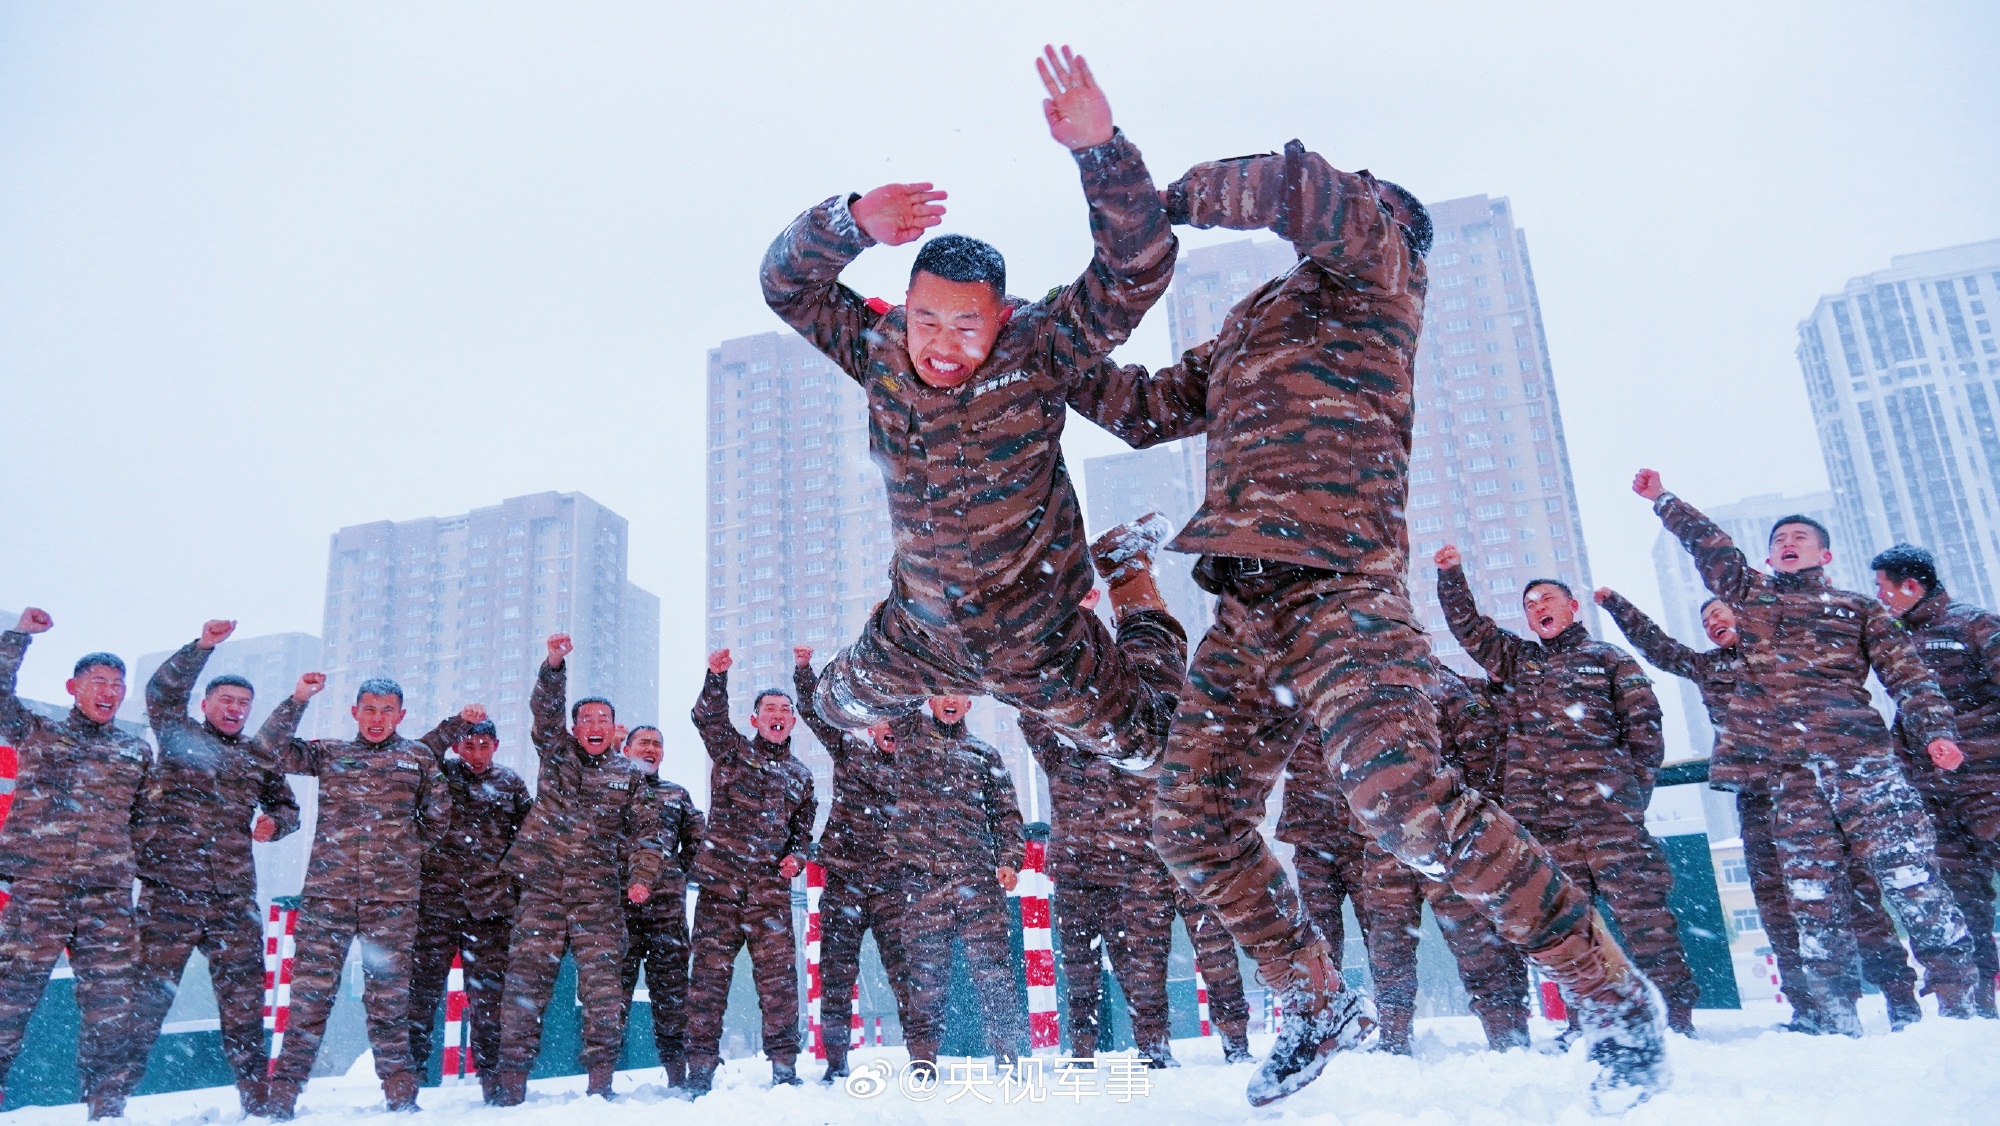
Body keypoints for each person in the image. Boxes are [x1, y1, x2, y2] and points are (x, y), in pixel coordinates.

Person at [1112, 141, 1668, 1108]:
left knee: (1403, 802)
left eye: (1365, 200)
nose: (1348, 205)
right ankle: (1313, 998)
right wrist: (1034, 352)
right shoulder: (1260, 321)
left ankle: (1609, 995)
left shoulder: (1381, 276)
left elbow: (1303, 188)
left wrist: (1156, 207)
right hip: (1247, 611)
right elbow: (1149, 406)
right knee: (1191, 821)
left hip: (1341, 593)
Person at [759, 45, 1184, 769]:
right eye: (928, 320)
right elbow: (786, 286)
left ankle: (1131, 578)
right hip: (918, 634)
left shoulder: (1039, 348)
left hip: (1041, 639)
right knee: (828, 704)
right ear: (908, 309)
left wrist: (1100, 152)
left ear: (1001, 318)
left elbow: (1134, 273)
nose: (943, 346)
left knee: (1151, 748)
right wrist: (852, 220)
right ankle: (887, 615)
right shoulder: (881, 351)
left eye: (967, 326)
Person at [1637, 469, 1979, 1032]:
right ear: (1768, 560)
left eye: (1799, 538)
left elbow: (1909, 676)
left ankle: (1961, 1010)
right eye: (1778, 541)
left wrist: (1937, 730)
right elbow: (1710, 545)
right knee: (1811, 898)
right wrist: (1663, 500)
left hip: (1863, 766)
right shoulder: (1750, 598)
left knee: (1912, 880)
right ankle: (1833, 1017)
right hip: (1789, 778)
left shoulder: (1858, 609)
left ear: (1825, 553)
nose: (1787, 544)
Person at [1596, 589, 1921, 1031]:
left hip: (1814, 792)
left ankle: (1901, 998)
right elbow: (1659, 647)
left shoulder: (1781, 654)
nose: (1713, 622)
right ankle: (1809, 1009)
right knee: (1777, 905)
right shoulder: (1708, 667)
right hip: (1758, 800)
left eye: (1720, 612)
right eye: (1706, 618)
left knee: (1854, 896)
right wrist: (1618, 603)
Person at [1435, 549, 1700, 1035]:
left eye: (1549, 598)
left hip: (1610, 820)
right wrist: (1450, 575)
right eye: (1531, 603)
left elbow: (1645, 730)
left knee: (1646, 922)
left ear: (1573, 607)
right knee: (1568, 929)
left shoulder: (1608, 659)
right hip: (1547, 827)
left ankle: (1675, 1022)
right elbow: (1469, 628)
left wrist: (1627, 796)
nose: (1539, 607)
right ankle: (1588, 1023)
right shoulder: (1518, 663)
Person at [127, 620, 301, 1116]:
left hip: (232, 901)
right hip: (169, 894)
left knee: (246, 1006)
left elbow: (287, 809)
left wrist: (275, 823)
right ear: (205, 705)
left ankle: (257, 1100)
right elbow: (162, 691)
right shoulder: (178, 734)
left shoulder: (255, 758)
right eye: (225, 700)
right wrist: (203, 646)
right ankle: (107, 1102)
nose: (235, 710)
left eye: (243, 704)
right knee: (143, 1004)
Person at [262, 673, 448, 1117]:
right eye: (369, 708)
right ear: (354, 712)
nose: (377, 718)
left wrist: (403, 854)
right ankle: (282, 1096)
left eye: (387, 710)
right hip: (329, 898)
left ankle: (401, 1096)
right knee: (309, 997)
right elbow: (270, 749)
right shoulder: (331, 753)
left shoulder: (418, 757)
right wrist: (298, 698)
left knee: (389, 1001)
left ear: (401, 715)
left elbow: (439, 816)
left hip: (393, 902)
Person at [492, 633, 663, 1104]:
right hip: (543, 889)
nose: (594, 724)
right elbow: (545, 710)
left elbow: (647, 834)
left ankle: (600, 1081)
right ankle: (510, 1085)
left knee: (604, 991)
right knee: (525, 987)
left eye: (602, 719)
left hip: (598, 895)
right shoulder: (556, 752)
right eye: (585, 718)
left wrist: (641, 879)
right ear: (573, 729)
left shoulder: (629, 776)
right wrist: (553, 665)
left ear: (614, 730)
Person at [0, 609, 151, 1119]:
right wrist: (18, 637)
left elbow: (145, 820)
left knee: (112, 1014)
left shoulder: (136, 749)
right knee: (8, 1005)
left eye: (117, 684)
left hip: (107, 898)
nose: (109, 691)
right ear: (73, 687)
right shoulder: (37, 731)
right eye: (98, 682)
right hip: (40, 891)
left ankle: (106, 1108)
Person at [1872, 542, 2000, 1018]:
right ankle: (1976, 1011)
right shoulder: (1897, 641)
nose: (1880, 598)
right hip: (1934, 798)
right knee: (1962, 904)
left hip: (1989, 786)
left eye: (1883, 588)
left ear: (1911, 585)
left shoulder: (1974, 624)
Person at [684, 649, 817, 1095]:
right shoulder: (732, 751)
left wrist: (796, 858)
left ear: (793, 722)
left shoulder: (801, 775)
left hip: (768, 894)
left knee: (779, 986)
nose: (777, 717)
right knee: (706, 984)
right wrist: (716, 677)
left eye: (785, 711)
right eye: (769, 710)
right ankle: (699, 1071)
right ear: (755, 718)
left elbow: (803, 831)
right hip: (720, 889)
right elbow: (706, 717)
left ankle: (784, 1068)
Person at [1023, 712, 1183, 1067]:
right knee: (1079, 975)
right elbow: (1033, 727)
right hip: (1073, 885)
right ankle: (1081, 1053)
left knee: (1138, 970)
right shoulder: (1061, 762)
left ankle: (1155, 1048)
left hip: (1123, 884)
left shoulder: (1134, 762)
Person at [791, 647, 917, 1082]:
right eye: (882, 721)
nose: (890, 729)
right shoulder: (851, 752)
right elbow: (815, 715)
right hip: (844, 880)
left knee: (908, 974)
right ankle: (836, 1062)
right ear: (870, 727)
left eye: (896, 721)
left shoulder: (921, 767)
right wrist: (804, 672)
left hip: (892, 887)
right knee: (836, 974)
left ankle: (924, 1059)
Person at [891, 696, 1030, 1068]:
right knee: (924, 978)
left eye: (957, 693)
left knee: (994, 974)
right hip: (922, 884)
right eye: (942, 692)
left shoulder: (985, 755)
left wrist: (1009, 862)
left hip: (977, 882)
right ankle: (922, 1061)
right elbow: (894, 694)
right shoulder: (910, 737)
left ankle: (1008, 1056)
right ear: (930, 700)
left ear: (968, 703)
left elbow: (1006, 815)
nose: (949, 700)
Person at [404, 710, 532, 1103]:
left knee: (490, 1002)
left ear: (496, 746)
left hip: (490, 909)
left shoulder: (510, 783)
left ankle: (494, 1082)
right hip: (436, 905)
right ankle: (407, 1084)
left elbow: (529, 836)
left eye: (484, 746)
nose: (477, 753)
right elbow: (421, 751)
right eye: (469, 745)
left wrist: (515, 883)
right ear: (458, 746)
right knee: (421, 995)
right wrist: (456, 722)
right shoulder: (441, 773)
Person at [619, 724, 706, 1085]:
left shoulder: (676, 794)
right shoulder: (608, 789)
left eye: (657, 743)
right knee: (610, 998)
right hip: (615, 911)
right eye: (643, 743)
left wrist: (676, 873)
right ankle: (600, 1081)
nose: (650, 748)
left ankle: (677, 1076)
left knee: (672, 998)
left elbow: (697, 841)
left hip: (666, 913)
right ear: (626, 750)